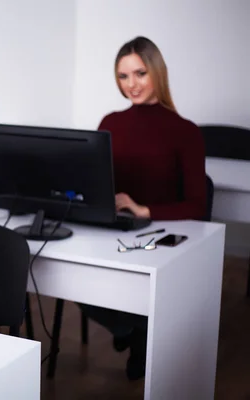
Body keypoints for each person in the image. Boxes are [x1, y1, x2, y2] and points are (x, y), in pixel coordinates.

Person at [79, 36, 207, 380]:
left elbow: (198, 202)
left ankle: (138, 333)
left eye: (140, 73)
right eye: (123, 77)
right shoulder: (111, 122)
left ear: (157, 74)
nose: (132, 84)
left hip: (160, 234)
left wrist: (144, 209)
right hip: (113, 229)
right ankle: (133, 330)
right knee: (69, 271)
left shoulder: (185, 131)